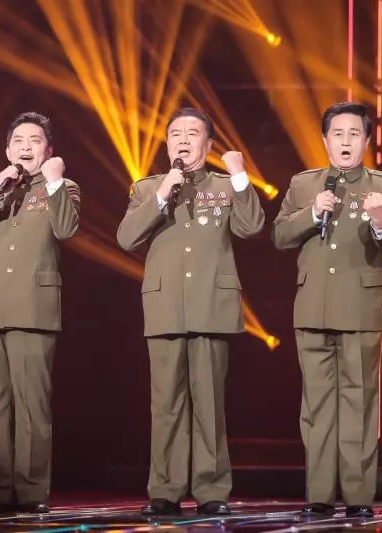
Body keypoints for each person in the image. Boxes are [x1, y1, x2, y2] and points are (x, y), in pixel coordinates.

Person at [117, 107, 265, 516]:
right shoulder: (148, 188)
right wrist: (163, 193)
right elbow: (127, 237)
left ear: (208, 144)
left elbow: (251, 226)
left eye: (192, 133)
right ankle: (165, 491)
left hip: (211, 306)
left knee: (209, 405)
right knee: (165, 404)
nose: (183, 140)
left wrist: (240, 175)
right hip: (165, 306)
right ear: (167, 144)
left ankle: (212, 491)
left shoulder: (224, 184)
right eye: (176, 134)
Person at [272, 102, 382, 519]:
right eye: (338, 134)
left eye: (354, 134)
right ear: (325, 140)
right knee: (316, 407)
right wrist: (313, 212)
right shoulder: (304, 184)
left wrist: (380, 220)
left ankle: (359, 497)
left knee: (359, 402)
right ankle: (319, 495)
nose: (345, 141)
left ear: (366, 140)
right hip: (312, 307)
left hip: (360, 309)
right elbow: (280, 235)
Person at [0, 111, 81, 514]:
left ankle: (31, 491)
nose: (26, 147)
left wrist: (55, 181)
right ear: (7, 150)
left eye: (34, 141)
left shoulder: (63, 187)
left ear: (49, 150)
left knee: (32, 405)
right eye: (18, 142)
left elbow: (66, 229)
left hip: (34, 310)